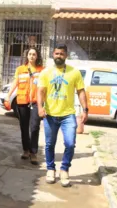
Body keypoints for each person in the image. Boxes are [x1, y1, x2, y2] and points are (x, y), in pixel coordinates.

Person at [37, 44, 88, 187]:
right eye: (56, 53)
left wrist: (85, 109)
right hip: (50, 115)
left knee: (70, 144)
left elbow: (81, 91)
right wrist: (40, 108)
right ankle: (50, 169)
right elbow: (40, 91)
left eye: (61, 54)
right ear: (53, 54)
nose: (59, 56)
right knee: (49, 144)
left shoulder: (74, 72)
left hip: (68, 115)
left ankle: (64, 169)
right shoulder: (46, 73)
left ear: (66, 55)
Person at [5, 47, 44, 165]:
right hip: (22, 101)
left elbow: (45, 87)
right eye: (30, 54)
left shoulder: (41, 70)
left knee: (34, 127)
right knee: (24, 127)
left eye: (34, 54)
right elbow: (15, 83)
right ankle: (26, 150)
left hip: (36, 102)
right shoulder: (20, 69)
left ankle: (34, 153)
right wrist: (8, 95)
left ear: (37, 56)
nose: (32, 56)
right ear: (27, 56)